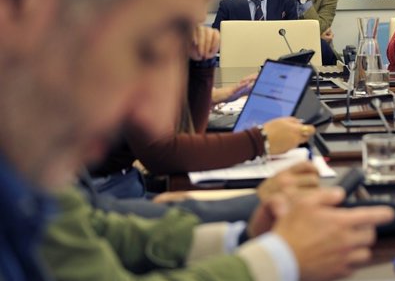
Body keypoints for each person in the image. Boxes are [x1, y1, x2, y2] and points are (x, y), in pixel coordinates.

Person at [0, 0, 395, 281]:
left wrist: (241, 237)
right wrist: (278, 260)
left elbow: (97, 230)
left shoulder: (31, 171)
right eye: (148, 49)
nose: (156, 111)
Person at [89, 23, 315, 198]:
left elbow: (188, 135)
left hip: (128, 182)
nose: (200, 17)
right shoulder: (130, 45)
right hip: (103, 192)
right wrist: (261, 140)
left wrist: (203, 65)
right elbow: (161, 153)